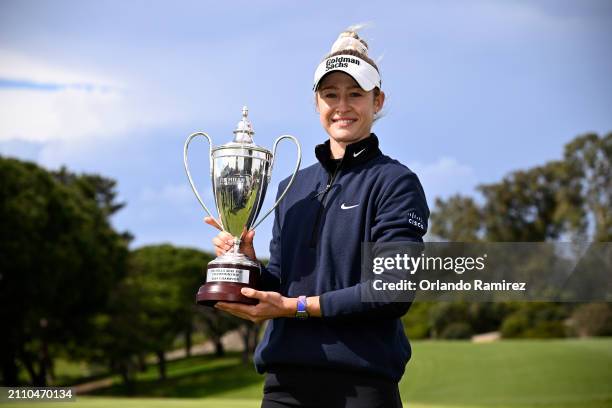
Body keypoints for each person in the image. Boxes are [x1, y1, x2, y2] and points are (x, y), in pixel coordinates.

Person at [205, 26, 429, 408]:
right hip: (284, 388)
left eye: (355, 94)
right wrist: (245, 263)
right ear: (316, 103)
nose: (342, 106)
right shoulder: (292, 186)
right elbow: (280, 281)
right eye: (330, 95)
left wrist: (296, 307)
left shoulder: (395, 182)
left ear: (378, 101)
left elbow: (392, 289)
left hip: (361, 386)